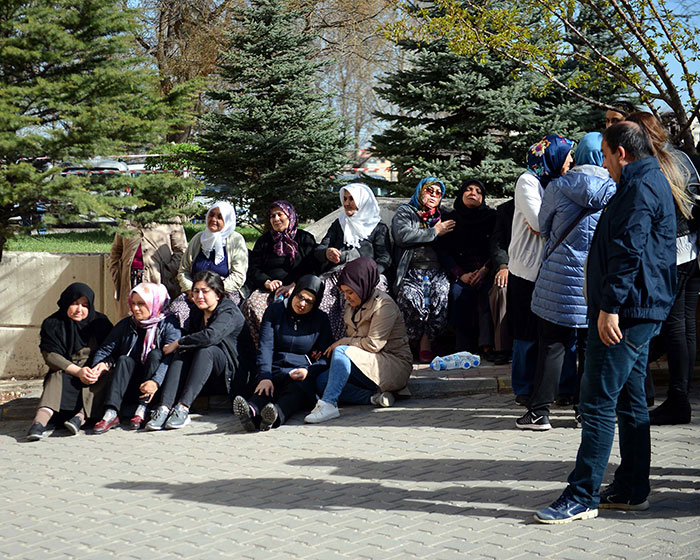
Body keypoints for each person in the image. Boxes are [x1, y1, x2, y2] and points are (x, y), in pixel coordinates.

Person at [534, 121, 677, 524]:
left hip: (626, 311)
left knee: (597, 400)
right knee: (632, 403)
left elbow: (628, 250)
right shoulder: (647, 180)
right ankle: (632, 489)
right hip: (637, 308)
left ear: (622, 153)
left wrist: (610, 306)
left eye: (608, 156)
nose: (606, 165)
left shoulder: (638, 186)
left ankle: (581, 496)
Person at [515, 132, 617, 431]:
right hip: (594, 276)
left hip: (559, 276)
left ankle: (539, 413)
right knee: (589, 347)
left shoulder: (559, 186)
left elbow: (544, 226)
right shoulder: (615, 188)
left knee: (553, 344)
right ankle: (586, 412)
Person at [626, 111, 697, 425]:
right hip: (692, 252)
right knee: (685, 327)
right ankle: (679, 397)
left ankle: (677, 401)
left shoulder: (654, 166)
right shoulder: (683, 159)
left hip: (672, 255)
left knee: (673, 327)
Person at [304, 257, 413, 423]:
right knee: (322, 381)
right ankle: (373, 398)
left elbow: (373, 344)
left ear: (363, 285)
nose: (347, 297)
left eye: (350, 292)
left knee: (341, 351)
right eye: (344, 292)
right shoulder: (352, 305)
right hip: (366, 363)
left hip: (392, 365)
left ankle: (328, 405)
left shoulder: (383, 305)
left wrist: (343, 342)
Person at [508, 135, 574, 405]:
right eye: (567, 155)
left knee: (557, 333)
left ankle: (560, 388)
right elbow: (537, 222)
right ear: (553, 156)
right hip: (526, 270)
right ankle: (524, 388)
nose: (571, 161)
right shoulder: (528, 181)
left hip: (552, 269)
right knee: (526, 333)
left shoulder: (558, 184)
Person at [145, 270, 256, 430]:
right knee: (183, 352)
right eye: (196, 291)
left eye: (205, 291)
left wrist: (178, 342)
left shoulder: (229, 311)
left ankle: (182, 409)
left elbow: (210, 337)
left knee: (205, 350)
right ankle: (164, 408)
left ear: (218, 294)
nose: (199, 296)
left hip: (233, 376)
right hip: (205, 374)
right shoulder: (198, 312)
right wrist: (180, 346)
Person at [233, 275, 332, 431]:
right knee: (265, 388)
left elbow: (326, 356)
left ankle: (274, 416)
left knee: (294, 393)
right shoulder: (275, 311)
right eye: (300, 297)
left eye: (309, 302)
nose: (302, 304)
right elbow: (266, 346)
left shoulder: (321, 320)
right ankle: (250, 412)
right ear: (295, 292)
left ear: (316, 304)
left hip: (301, 373)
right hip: (275, 367)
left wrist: (309, 371)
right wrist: (265, 376)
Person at [27, 283, 113, 441]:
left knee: (103, 377)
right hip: (68, 368)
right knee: (56, 376)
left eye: (85, 305)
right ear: (66, 302)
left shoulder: (100, 322)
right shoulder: (53, 323)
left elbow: (112, 349)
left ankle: (80, 418)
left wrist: (102, 366)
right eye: (74, 303)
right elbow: (50, 355)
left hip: (93, 368)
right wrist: (77, 371)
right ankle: (39, 422)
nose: (79, 309)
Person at [90, 283, 181, 433]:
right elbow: (106, 349)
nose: (136, 308)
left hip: (153, 388)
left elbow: (171, 357)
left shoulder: (169, 324)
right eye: (133, 303)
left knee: (156, 354)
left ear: (154, 303)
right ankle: (111, 413)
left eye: (141, 304)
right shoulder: (127, 324)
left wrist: (155, 381)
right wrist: (98, 366)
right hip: (129, 384)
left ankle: (142, 410)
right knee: (124, 360)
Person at [314, 183, 392, 339]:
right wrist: (327, 253)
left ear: (362, 201)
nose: (347, 203)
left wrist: (368, 275)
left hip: (365, 277)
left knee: (370, 298)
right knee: (323, 302)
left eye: (352, 199)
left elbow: (385, 258)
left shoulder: (377, 227)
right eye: (345, 199)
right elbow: (320, 249)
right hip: (337, 275)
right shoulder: (339, 223)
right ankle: (326, 345)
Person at [391, 177, 455, 362]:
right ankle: (411, 342)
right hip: (411, 269)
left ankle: (428, 341)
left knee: (441, 293)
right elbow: (402, 236)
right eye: (429, 190)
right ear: (421, 191)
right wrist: (434, 232)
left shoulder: (443, 215)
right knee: (410, 296)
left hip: (437, 270)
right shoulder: (406, 212)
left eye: (438, 193)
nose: (434, 195)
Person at [242, 200, 317, 345]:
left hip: (298, 287)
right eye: (272, 216)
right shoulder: (264, 241)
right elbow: (253, 267)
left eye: (279, 214)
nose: (276, 219)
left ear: (290, 215)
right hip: (269, 289)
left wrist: (295, 285)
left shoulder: (304, 239)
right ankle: (265, 346)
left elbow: (312, 266)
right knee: (251, 305)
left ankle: (294, 347)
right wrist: (266, 281)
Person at [437, 179, 497, 354]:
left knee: (488, 294)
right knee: (458, 293)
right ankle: (463, 346)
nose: (473, 193)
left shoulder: (492, 218)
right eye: (469, 190)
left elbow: (498, 246)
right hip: (461, 273)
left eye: (478, 191)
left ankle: (487, 345)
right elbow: (443, 251)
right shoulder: (451, 219)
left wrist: (486, 269)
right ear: (461, 194)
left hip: (487, 270)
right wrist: (460, 274)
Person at [170, 201, 248, 327]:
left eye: (219, 217)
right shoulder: (198, 238)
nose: (213, 219)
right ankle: (180, 343)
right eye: (211, 215)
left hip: (225, 291)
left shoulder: (236, 240)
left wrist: (213, 292)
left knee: (222, 316)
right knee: (176, 310)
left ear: (227, 220)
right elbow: (183, 271)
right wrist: (192, 290)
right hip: (195, 291)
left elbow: (239, 276)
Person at [109, 220, 187, 319]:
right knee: (129, 319)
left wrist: (166, 273)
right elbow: (116, 251)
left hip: (157, 280)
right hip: (130, 280)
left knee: (156, 318)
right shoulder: (127, 220)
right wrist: (116, 274)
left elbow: (181, 251)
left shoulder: (171, 220)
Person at [489, 198, 515, 365]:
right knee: (501, 288)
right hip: (511, 266)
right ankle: (502, 348)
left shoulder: (550, 201)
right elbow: (498, 243)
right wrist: (503, 266)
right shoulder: (506, 210)